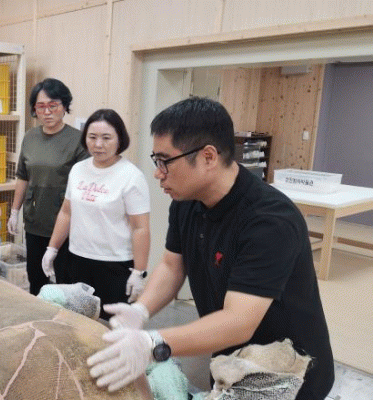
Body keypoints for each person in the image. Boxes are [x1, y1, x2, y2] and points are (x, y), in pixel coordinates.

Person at [87, 97, 334, 400]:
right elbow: (172, 266)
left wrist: (153, 343)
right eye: (156, 160)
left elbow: (239, 321)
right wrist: (141, 309)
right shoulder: (187, 201)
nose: (158, 173)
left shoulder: (269, 220)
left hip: (286, 372)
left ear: (208, 157)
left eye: (165, 161)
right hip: (229, 358)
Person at [44, 109, 150, 320]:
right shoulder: (78, 169)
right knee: (76, 321)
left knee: (111, 324)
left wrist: (139, 272)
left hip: (115, 264)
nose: (98, 144)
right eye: (92, 137)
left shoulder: (131, 176)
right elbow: (66, 212)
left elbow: (140, 228)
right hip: (77, 259)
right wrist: (52, 248)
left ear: (119, 139)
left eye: (106, 138)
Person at [7, 78, 88, 295]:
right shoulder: (30, 137)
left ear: (64, 106)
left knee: (65, 284)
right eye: (41, 106)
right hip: (35, 221)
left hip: (66, 225)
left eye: (53, 105)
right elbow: (22, 176)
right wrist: (14, 211)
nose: (47, 112)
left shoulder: (78, 140)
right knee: (36, 281)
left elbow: (83, 186)